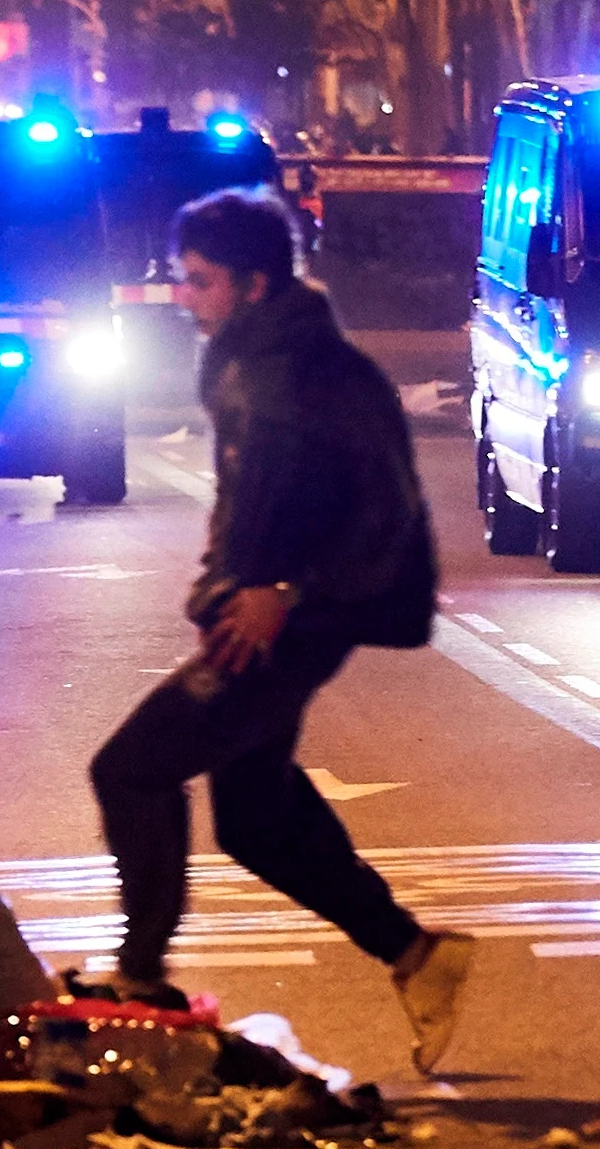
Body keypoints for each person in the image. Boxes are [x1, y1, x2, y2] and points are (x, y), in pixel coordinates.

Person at [84, 191, 477, 1065]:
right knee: (254, 818)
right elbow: (248, 501)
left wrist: (284, 592)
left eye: (201, 282)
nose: (185, 298)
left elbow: (385, 516)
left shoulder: (324, 377)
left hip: (295, 620)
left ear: (254, 285)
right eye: (183, 280)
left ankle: (139, 975)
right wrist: (224, 585)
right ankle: (416, 956)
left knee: (130, 769)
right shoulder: (243, 360)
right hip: (253, 613)